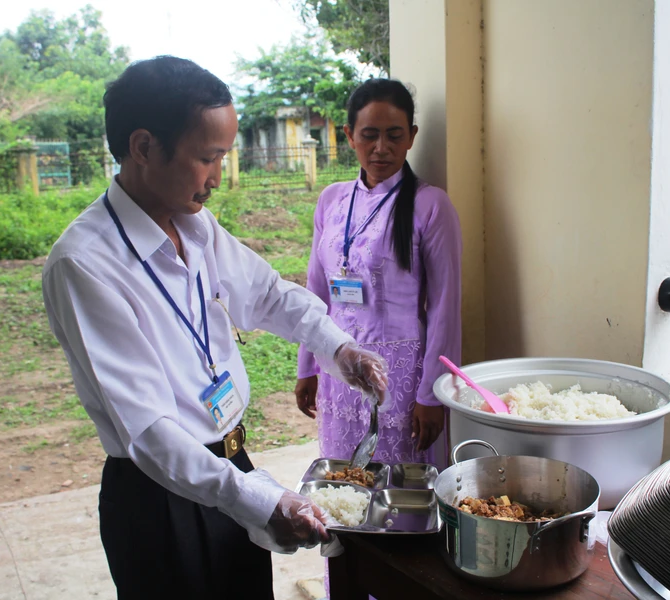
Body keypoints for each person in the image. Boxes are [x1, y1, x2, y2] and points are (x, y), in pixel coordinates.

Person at [42, 56, 388, 600]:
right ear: (143, 147)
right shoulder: (86, 264)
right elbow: (152, 433)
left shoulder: (195, 225)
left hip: (231, 463)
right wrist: (258, 500)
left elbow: (267, 294)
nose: (217, 178)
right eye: (207, 158)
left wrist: (338, 347)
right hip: (161, 497)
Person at [295, 78, 462, 471]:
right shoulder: (332, 200)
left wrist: (433, 395)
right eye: (369, 135)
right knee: (346, 487)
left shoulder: (430, 205)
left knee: (399, 493)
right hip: (338, 370)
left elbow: (444, 308)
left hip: (401, 381)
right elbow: (316, 291)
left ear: (412, 137)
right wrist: (307, 366)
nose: (381, 148)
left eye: (394, 135)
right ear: (349, 136)